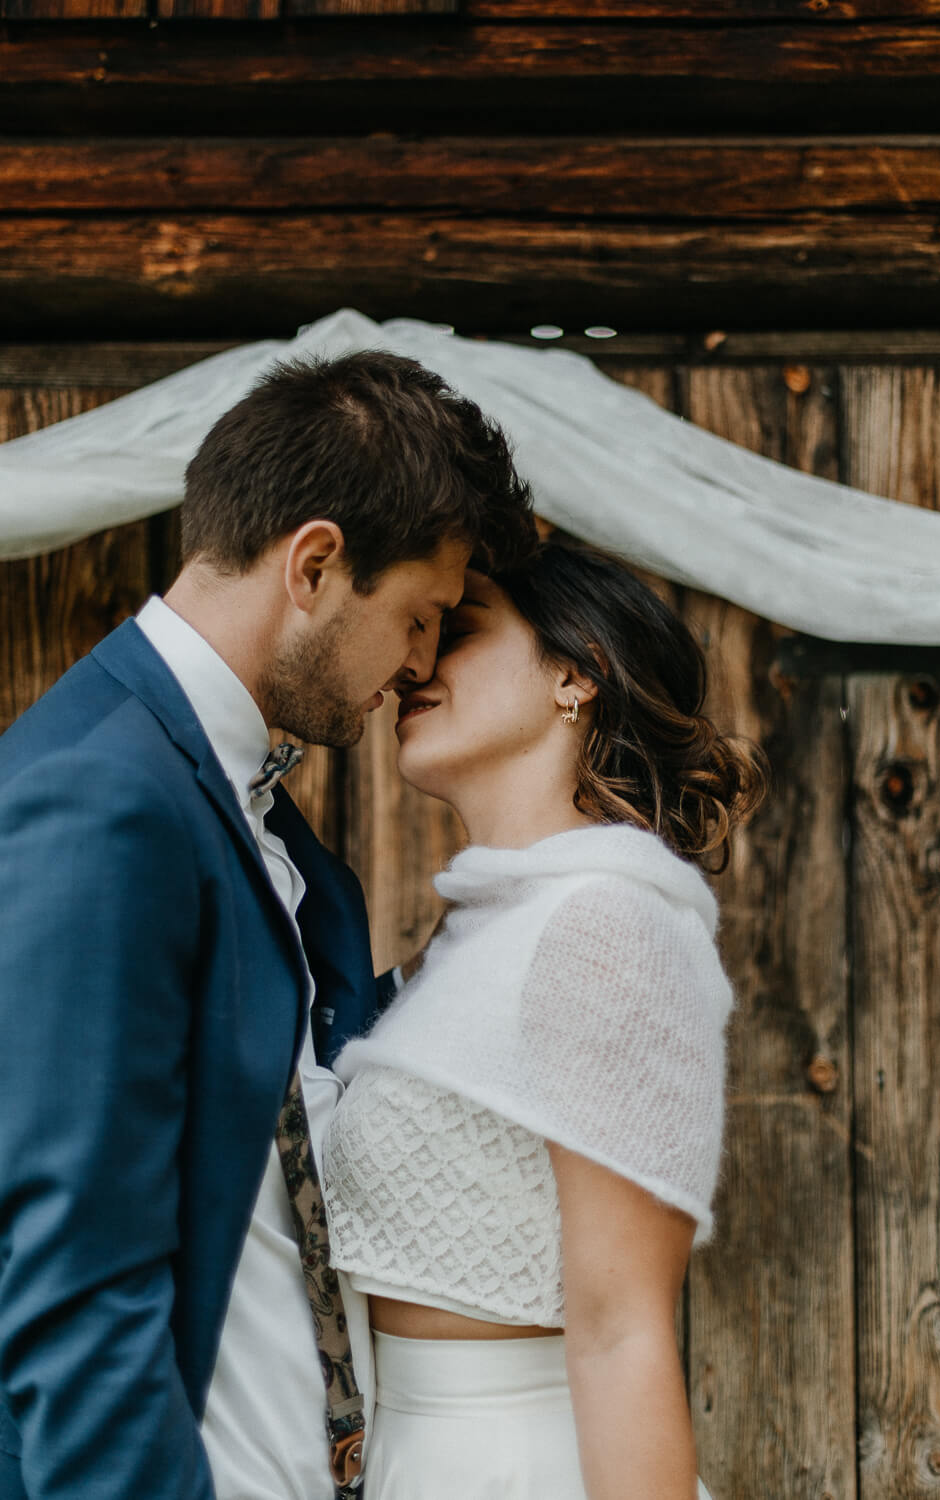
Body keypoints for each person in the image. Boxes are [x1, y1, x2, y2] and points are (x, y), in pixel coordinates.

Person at [0, 350, 535, 1500]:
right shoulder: (102, 797)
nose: (422, 662)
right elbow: (71, 1288)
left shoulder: (279, 841)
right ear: (316, 564)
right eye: (420, 616)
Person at [322, 542, 768, 1500]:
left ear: (575, 673)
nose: (414, 664)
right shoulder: (481, 934)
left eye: (461, 630)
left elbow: (621, 1335)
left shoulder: (609, 924)